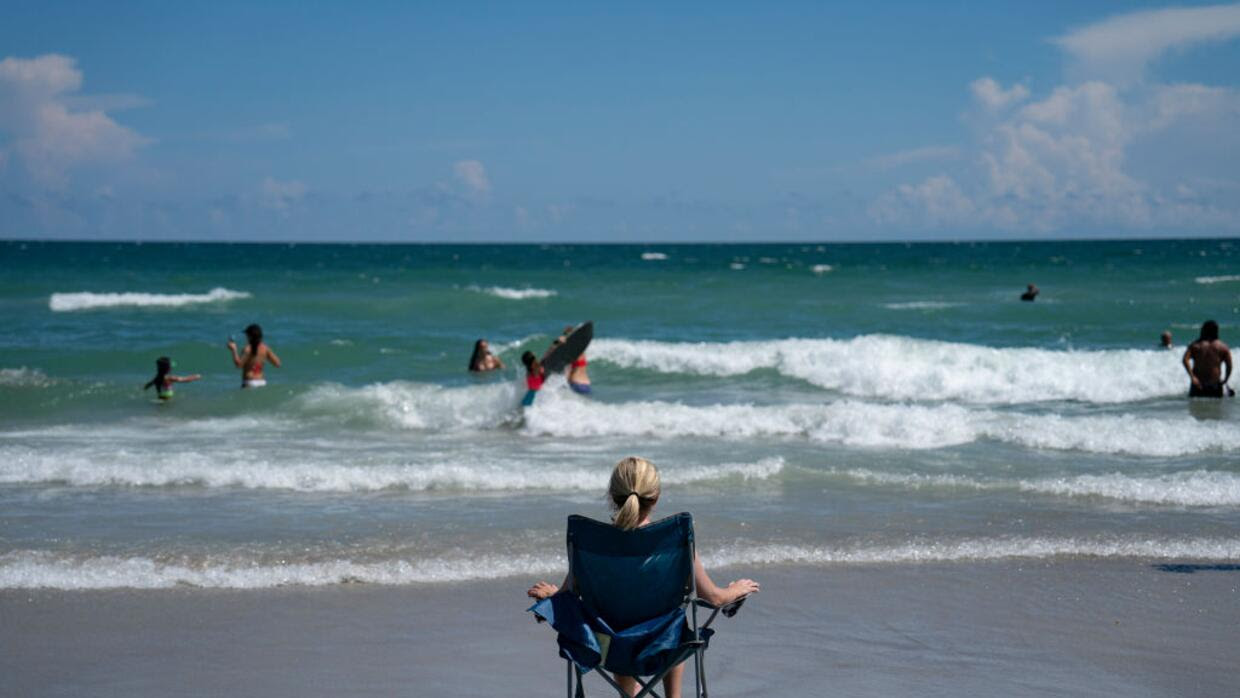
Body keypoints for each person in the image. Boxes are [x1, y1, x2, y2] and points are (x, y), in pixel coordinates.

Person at [527, 457, 759, 698]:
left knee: (620, 617)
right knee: (674, 619)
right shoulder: (673, 543)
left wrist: (550, 596)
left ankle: (627, 694)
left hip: (606, 649)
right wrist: (737, 590)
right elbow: (714, 598)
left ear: (611, 495)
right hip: (664, 647)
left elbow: (568, 595)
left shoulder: (593, 542)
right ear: (656, 497)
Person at [1182, 320, 1233, 398]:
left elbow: (1185, 360)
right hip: (1215, 385)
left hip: (1198, 384)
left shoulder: (1195, 345)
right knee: (1215, 409)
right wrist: (1226, 379)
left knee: (1196, 409)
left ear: (1203, 330)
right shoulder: (1223, 347)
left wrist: (1192, 377)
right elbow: (1229, 366)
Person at [226, 324, 281, 388]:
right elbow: (278, 364)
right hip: (261, 382)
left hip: (249, 382)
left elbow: (239, 365)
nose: (246, 337)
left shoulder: (247, 349)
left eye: (247, 335)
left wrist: (234, 350)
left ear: (250, 337)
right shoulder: (265, 348)